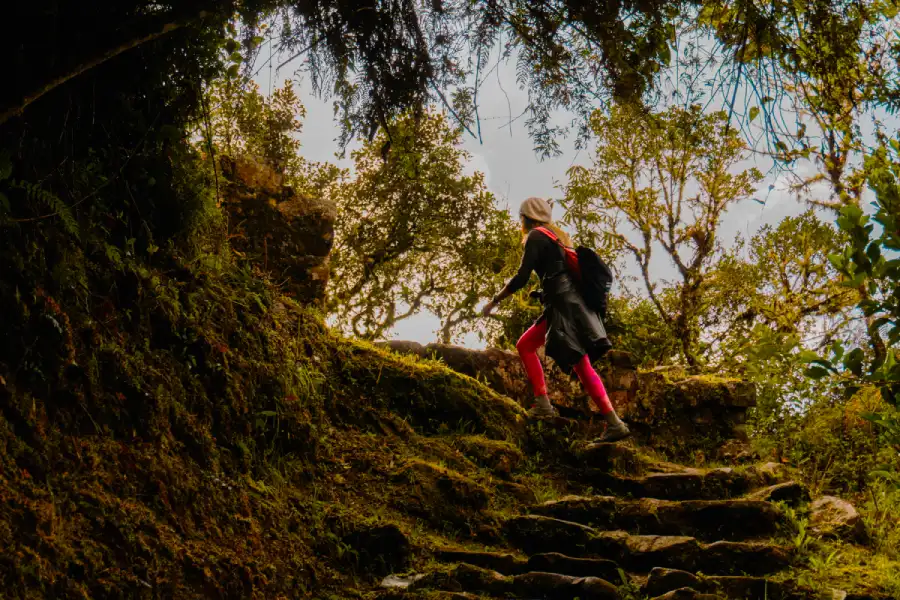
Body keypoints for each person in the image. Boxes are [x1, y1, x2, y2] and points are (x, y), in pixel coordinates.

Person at [481, 197, 630, 442]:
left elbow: (521, 277)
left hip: (562, 306)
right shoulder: (556, 238)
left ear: (525, 219)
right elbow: (558, 272)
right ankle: (614, 422)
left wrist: (494, 301)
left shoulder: (535, 237)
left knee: (527, 347)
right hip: (570, 304)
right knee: (580, 364)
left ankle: (545, 406)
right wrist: (541, 292)